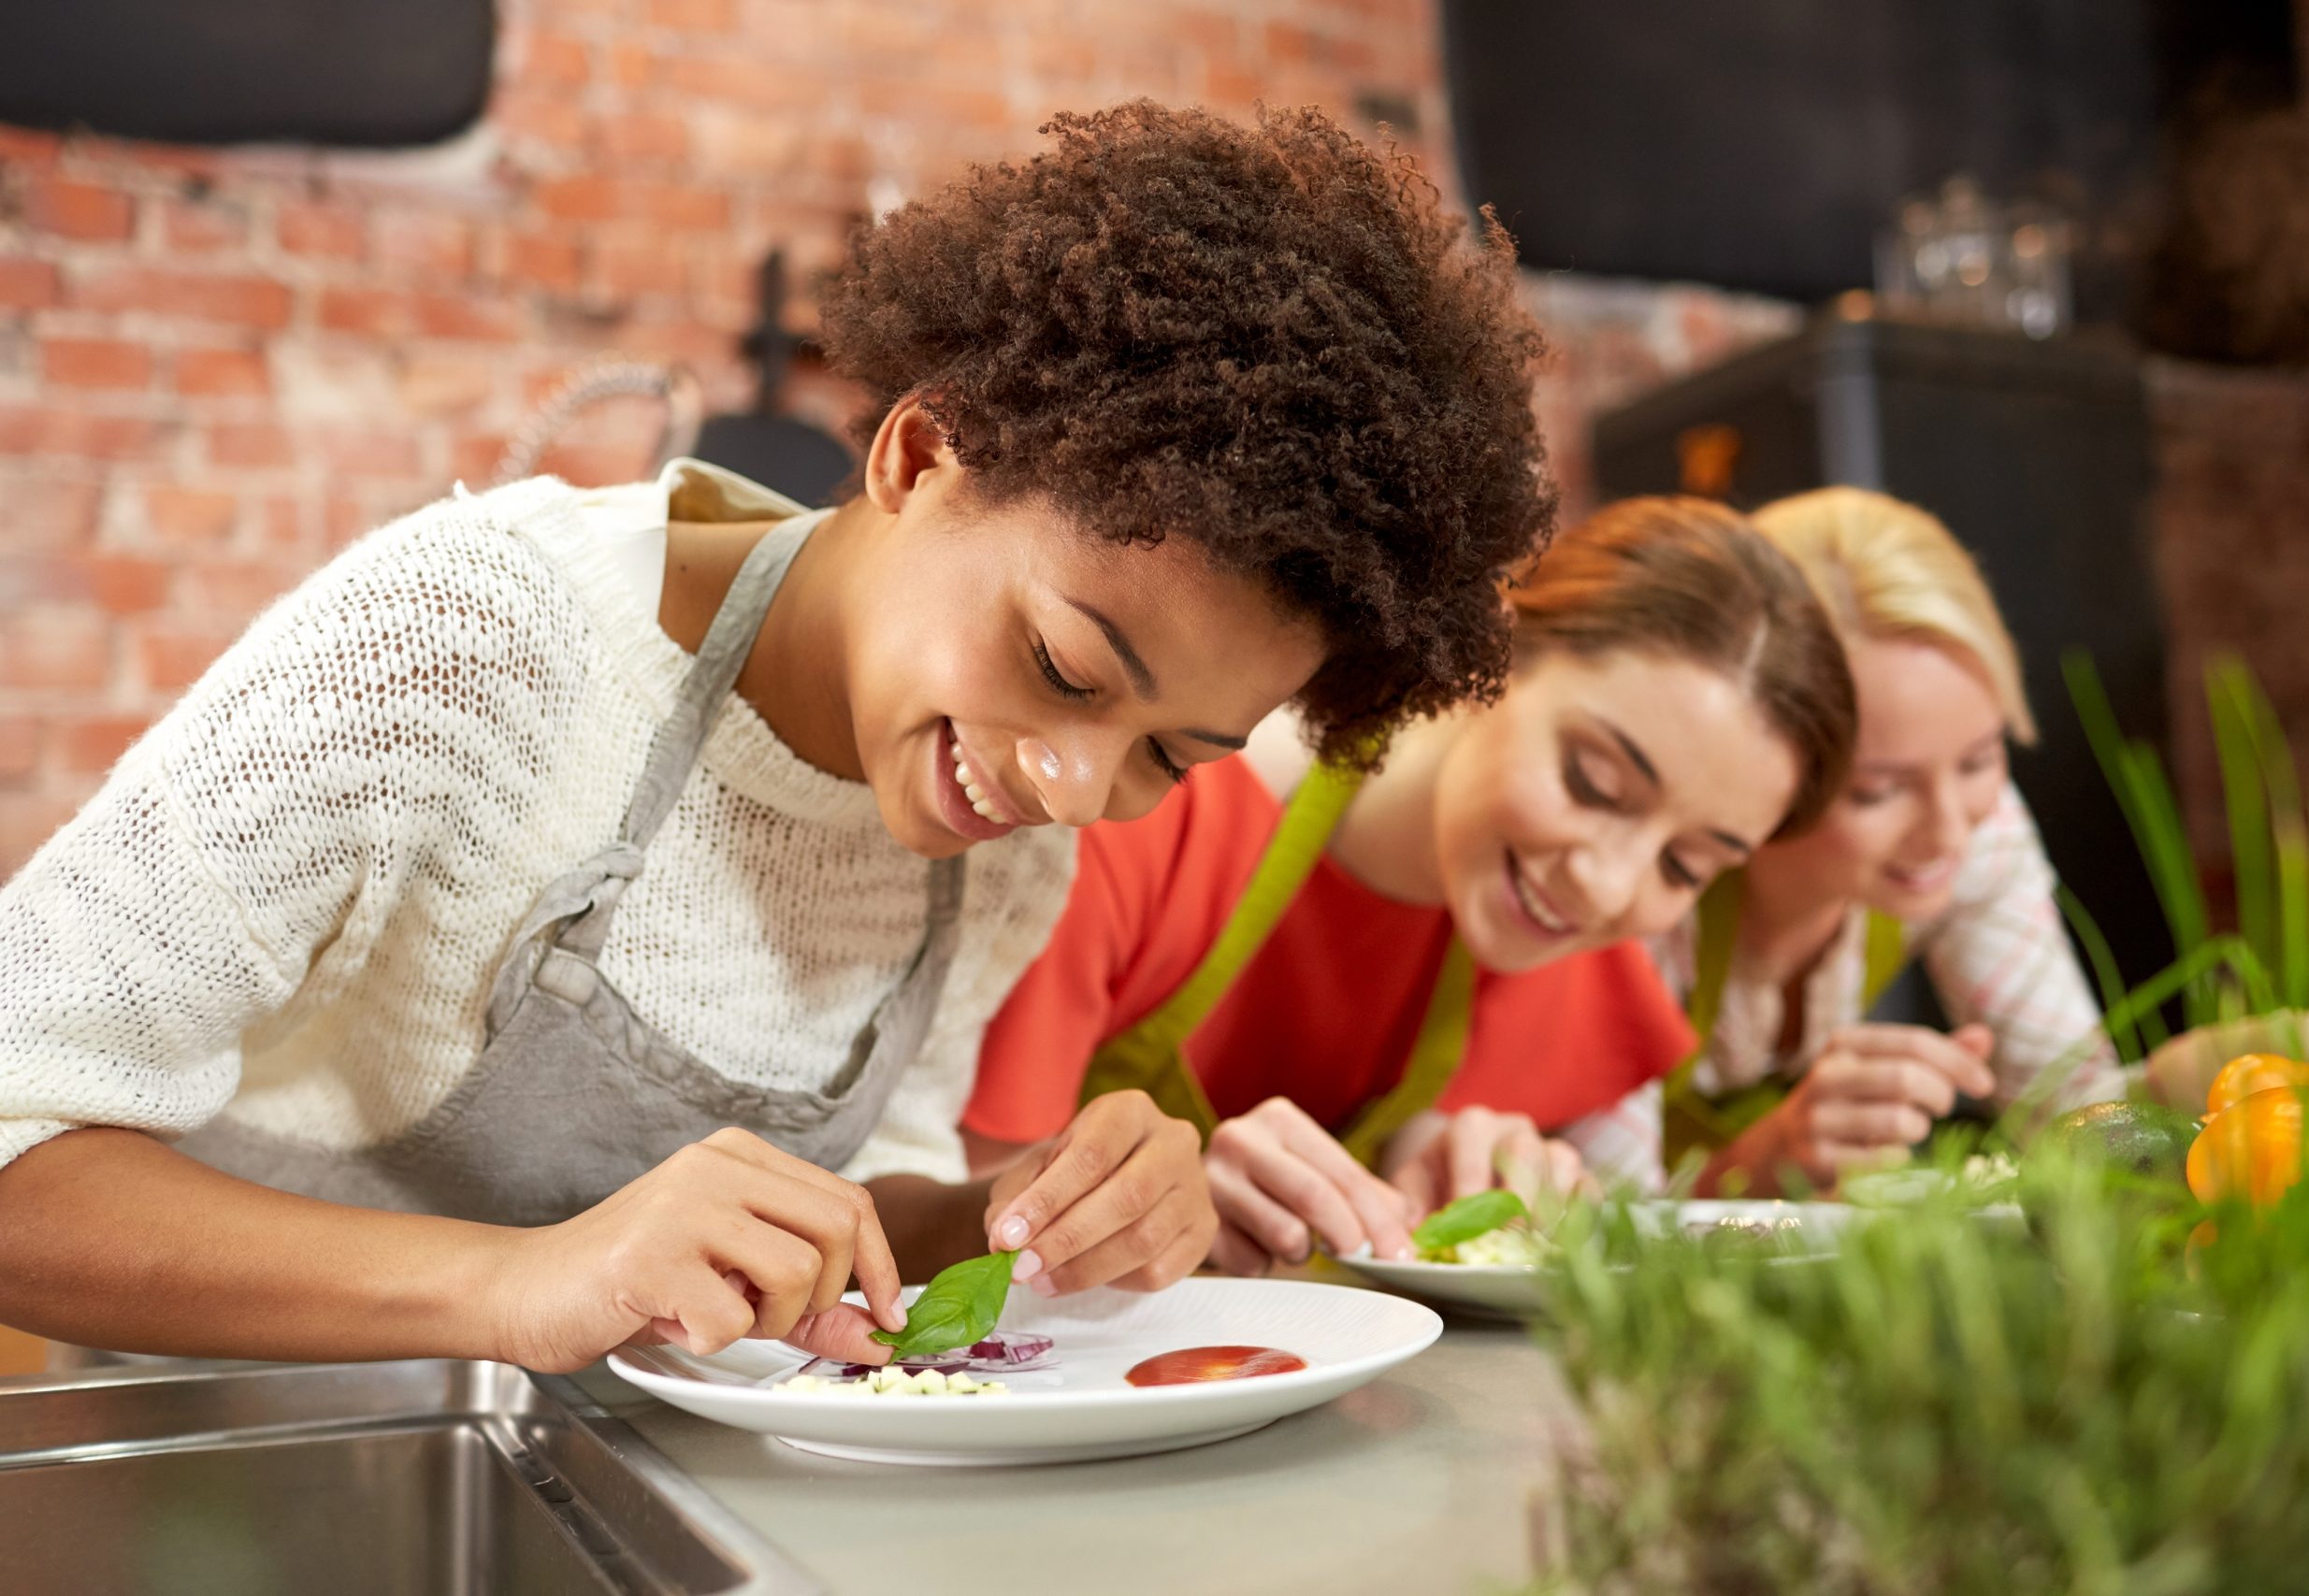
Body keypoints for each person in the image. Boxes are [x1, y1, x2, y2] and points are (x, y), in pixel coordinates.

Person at [0, 103, 1555, 1369]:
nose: (1070, 783)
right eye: (1065, 666)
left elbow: (847, 1218)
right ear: (921, 450)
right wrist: (524, 1284)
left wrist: (1010, 1212)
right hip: (228, 1466)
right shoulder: (476, 641)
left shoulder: (998, 847)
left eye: (1172, 755)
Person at [964, 498, 1857, 1272]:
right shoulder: (1149, 812)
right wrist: (1161, 1212)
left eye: (1686, 865)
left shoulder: (1584, 969)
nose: (1605, 883)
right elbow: (951, 1216)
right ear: (1493, 651)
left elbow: (1622, 1274)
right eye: (1594, 782)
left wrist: (1464, 1195)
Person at [1617, 486, 2123, 1198]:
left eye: (1979, 758)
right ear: (1757, 762)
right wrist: (1766, 1160)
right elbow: (1585, 1236)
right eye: (1878, 790)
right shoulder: (1634, 884)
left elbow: (2066, 1104)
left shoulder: (1980, 829)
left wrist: (2197, 1089)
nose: (1950, 829)